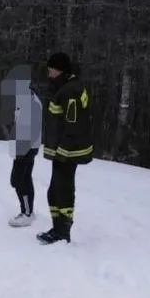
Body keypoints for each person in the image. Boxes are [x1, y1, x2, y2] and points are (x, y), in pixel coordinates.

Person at [37, 52, 93, 244]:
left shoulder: (70, 91)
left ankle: (63, 232)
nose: (49, 73)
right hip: (61, 150)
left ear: (59, 70)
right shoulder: (62, 87)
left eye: (51, 69)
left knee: (63, 190)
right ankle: (57, 228)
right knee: (54, 191)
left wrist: (62, 150)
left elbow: (73, 124)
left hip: (69, 151)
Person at [3, 65, 42, 227]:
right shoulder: (24, 99)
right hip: (25, 146)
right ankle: (28, 210)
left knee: (18, 180)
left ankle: (26, 213)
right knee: (24, 178)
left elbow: (30, 128)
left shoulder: (30, 101)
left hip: (27, 147)